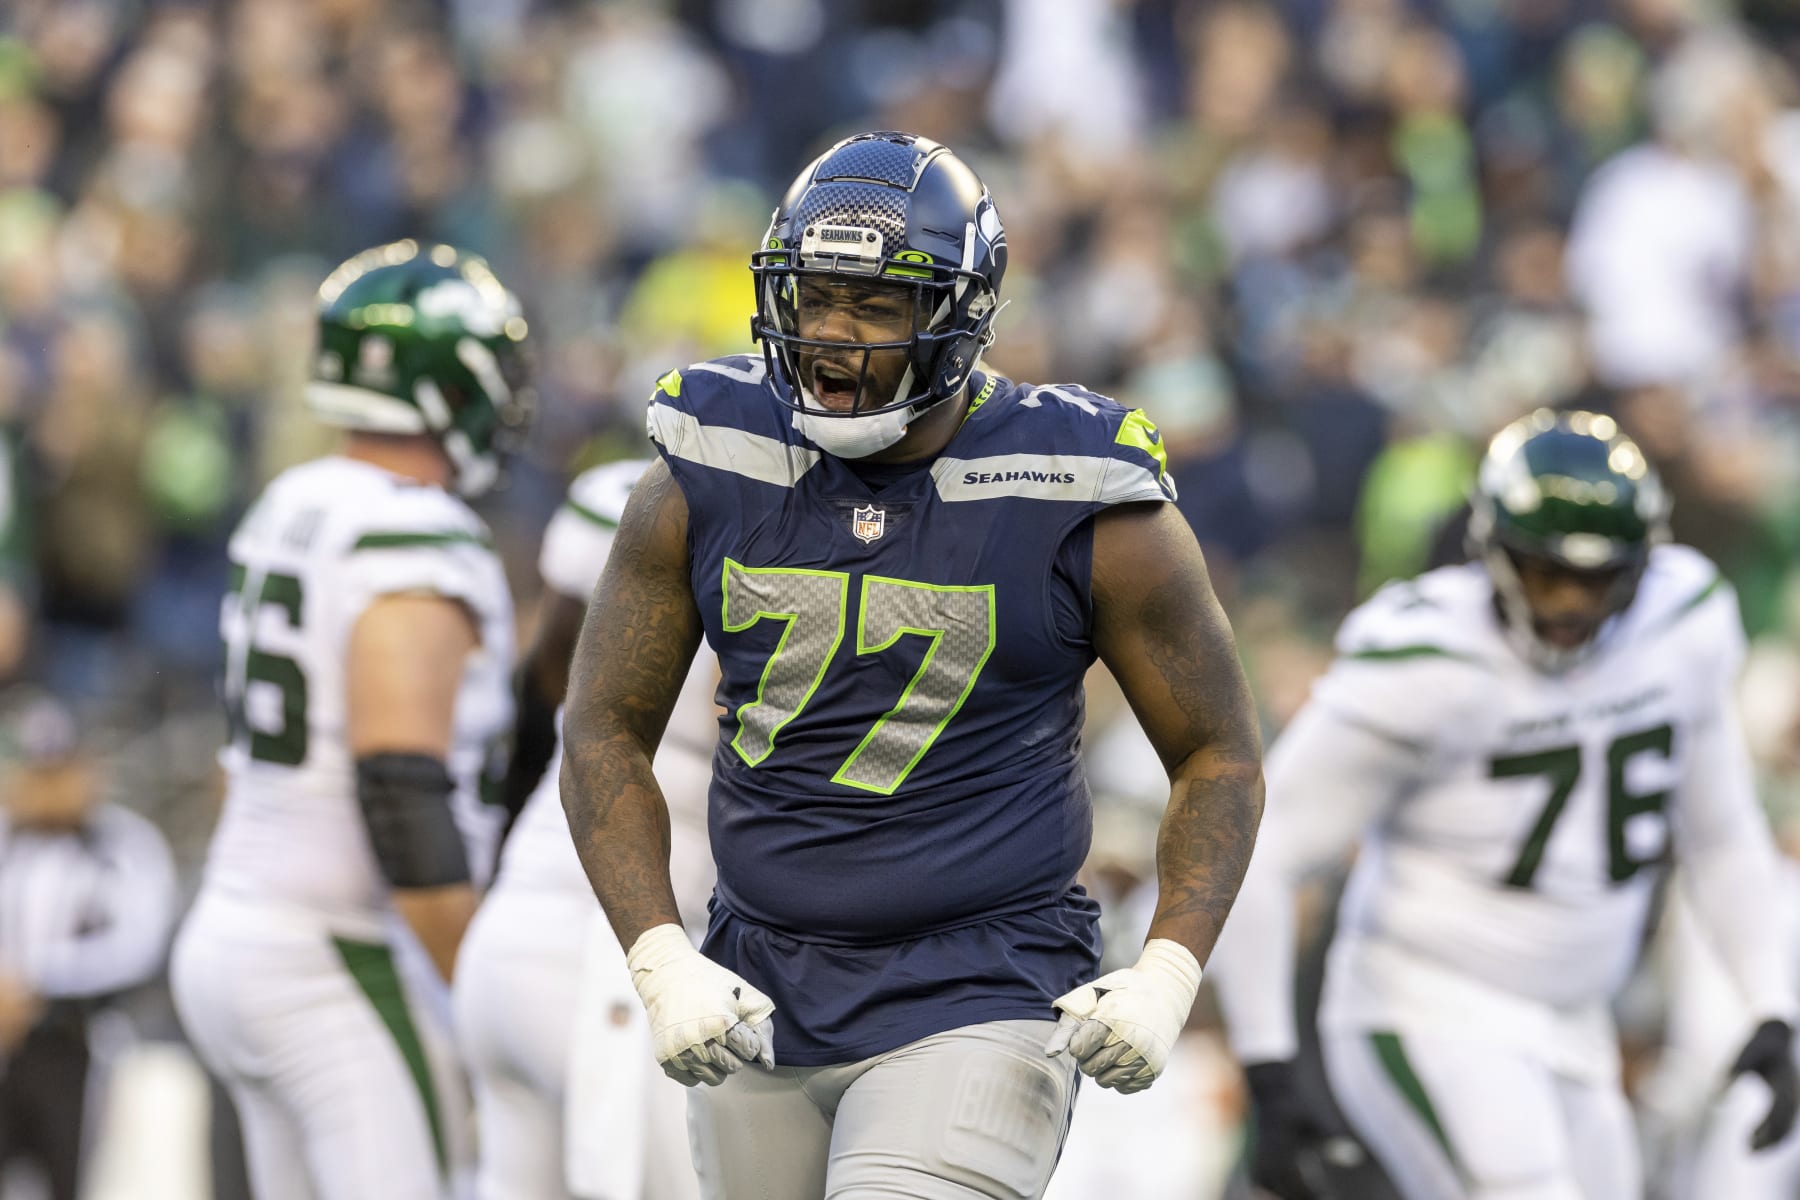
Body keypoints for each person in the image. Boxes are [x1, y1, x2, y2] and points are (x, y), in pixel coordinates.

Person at [558, 129, 1266, 1199]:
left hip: (984, 980)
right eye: (812, 299)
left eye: (876, 306)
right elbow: (601, 725)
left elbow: (1218, 750)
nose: (832, 338)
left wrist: (1169, 964)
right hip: (763, 986)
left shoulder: (1074, 490)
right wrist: (658, 951)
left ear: (959, 314)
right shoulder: (711, 458)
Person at [1210, 409, 1800, 1200]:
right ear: (1490, 550)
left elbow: (1723, 836)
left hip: (1577, 1016)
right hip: (1428, 1002)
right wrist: (1268, 1065)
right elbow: (1259, 851)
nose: (1567, 607)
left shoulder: (1682, 622)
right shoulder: (1426, 660)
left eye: (1594, 579)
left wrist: (1769, 1002)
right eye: (1545, 572)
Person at [170, 240, 532, 1200]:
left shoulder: (293, 502)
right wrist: (478, 983)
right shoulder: (410, 532)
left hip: (239, 923)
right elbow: (400, 789)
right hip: (341, 954)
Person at [453, 457, 715, 1200]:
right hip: (610, 958)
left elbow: (552, 666)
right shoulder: (755, 526)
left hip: (509, 937)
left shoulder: (621, 499)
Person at [0, 694, 178, 1200]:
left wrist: (38, 978)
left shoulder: (125, 844)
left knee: (78, 1176)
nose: (48, 789)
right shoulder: (7, 836)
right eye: (36, 773)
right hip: (5, 1037)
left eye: (60, 772)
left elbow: (139, 944)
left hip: (78, 1040)